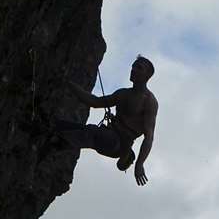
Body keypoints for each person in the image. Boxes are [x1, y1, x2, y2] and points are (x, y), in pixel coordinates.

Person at [54, 56, 160, 186]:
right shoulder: (123, 94)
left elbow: (149, 137)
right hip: (108, 135)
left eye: (139, 68)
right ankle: (53, 133)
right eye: (133, 66)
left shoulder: (149, 101)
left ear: (148, 75)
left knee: (91, 132)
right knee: (67, 126)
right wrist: (68, 84)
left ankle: (59, 141)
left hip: (119, 144)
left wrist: (140, 164)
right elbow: (95, 102)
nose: (133, 70)